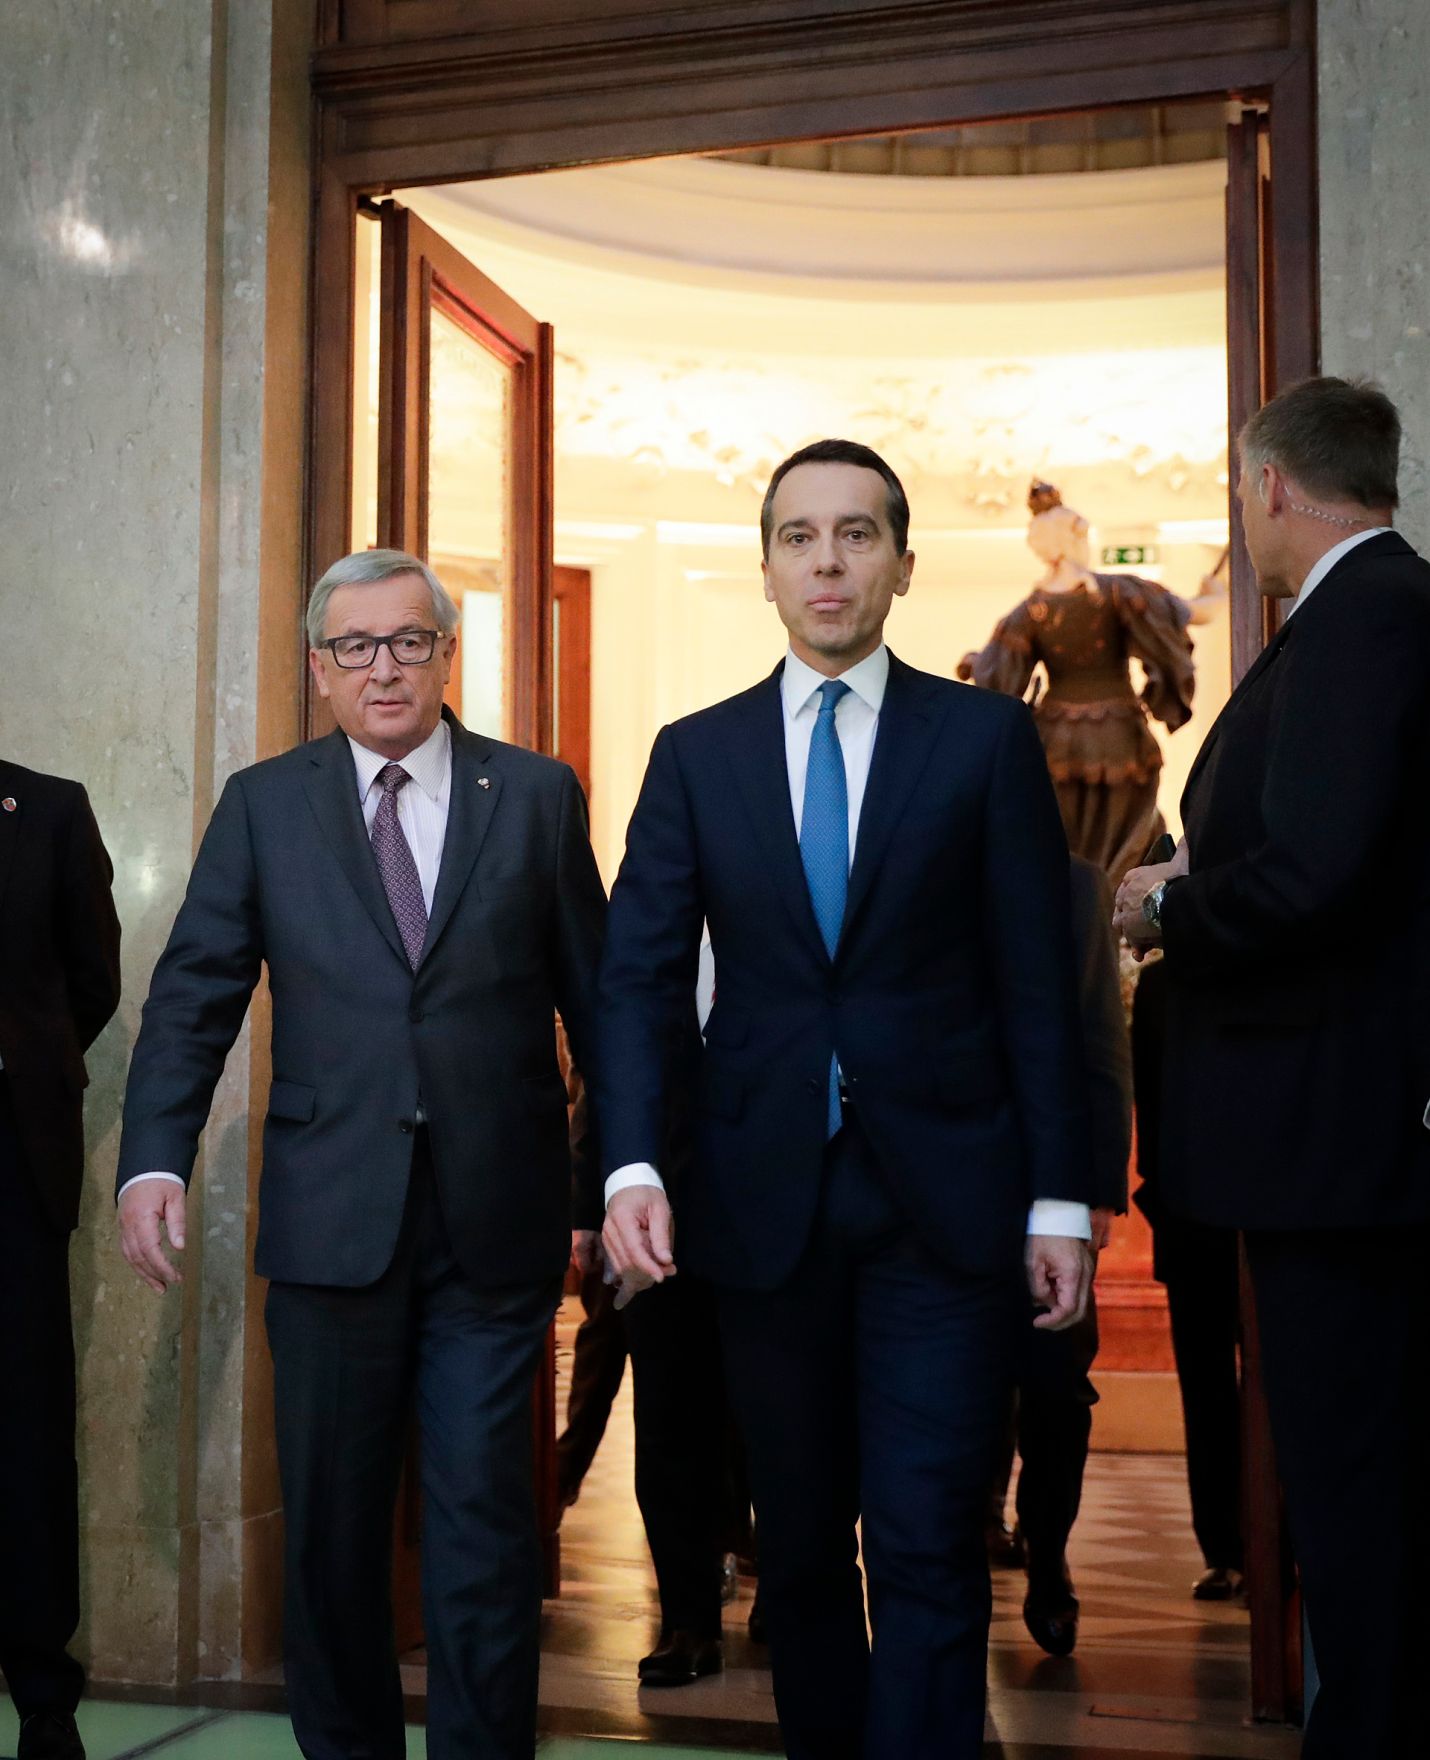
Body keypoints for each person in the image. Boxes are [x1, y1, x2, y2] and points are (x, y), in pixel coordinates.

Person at [597, 438, 1095, 1760]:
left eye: (855, 534)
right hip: (760, 1211)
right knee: (803, 1550)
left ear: (902, 564)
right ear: (766, 569)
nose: (827, 562)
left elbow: (1036, 986)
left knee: (928, 1542)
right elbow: (636, 979)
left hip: (946, 1205)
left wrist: (1060, 1197)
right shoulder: (694, 755)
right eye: (799, 537)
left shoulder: (982, 739)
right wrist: (632, 1164)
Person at [115, 549, 606, 1760]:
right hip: (331, 1224)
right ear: (319, 668)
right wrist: (154, 1157)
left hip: (493, 1228)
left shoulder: (534, 795)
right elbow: (192, 994)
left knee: (485, 1529)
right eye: (355, 645)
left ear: (446, 656)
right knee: (333, 1540)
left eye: (407, 641)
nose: (382, 667)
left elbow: (602, 1012)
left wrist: (613, 1179)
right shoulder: (264, 804)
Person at [1115, 377, 1430, 1757]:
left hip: (1336, 1141)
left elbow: (1317, 873)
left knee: (1351, 1473)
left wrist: (1168, 909)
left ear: (1270, 487)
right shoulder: (1371, 611)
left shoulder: (1367, 617)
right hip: (1333, 1136)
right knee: (1353, 1467)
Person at [0, 762, 121, 1760]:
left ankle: (43, 1692)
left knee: (27, 1429)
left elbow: (94, 978)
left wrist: (24, 1065)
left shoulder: (46, 810)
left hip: (11, 1158)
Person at [1002, 853, 1132, 1657]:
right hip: (925, 1189)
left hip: (1045, 1189)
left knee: (1056, 1390)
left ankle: (1047, 1557)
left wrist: (1098, 1192)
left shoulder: (1072, 884)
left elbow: (1099, 1046)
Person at [958, 481, 1196, 886]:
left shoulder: (1031, 611)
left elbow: (999, 674)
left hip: (1058, 740)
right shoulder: (1117, 592)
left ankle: (1080, 908)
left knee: (1064, 840)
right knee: (1126, 832)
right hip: (1119, 733)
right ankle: (1116, 905)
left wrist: (976, 664)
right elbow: (1171, 627)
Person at [1129, 957, 1243, 1601]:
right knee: (1206, 1390)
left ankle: (1281, 1546)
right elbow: (1151, 1110)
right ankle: (1224, 1549)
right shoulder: (1158, 987)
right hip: (1190, 1222)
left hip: (1274, 1219)